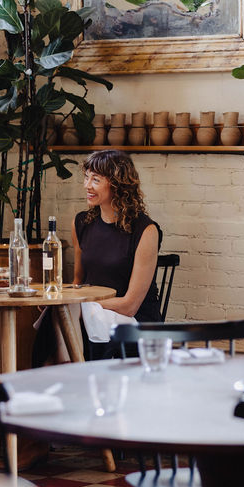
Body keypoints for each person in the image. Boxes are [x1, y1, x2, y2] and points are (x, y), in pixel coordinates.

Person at [72, 149, 161, 358]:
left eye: (95, 179)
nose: (87, 186)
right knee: (57, 315)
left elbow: (130, 305)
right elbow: (78, 282)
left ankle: (68, 371)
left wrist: (83, 303)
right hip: (92, 311)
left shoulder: (146, 230)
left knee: (68, 314)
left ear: (117, 184)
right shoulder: (82, 223)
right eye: (86, 178)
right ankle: (68, 367)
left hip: (133, 320)